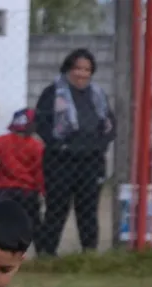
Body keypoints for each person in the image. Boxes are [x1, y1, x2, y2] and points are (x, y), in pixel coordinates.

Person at [35, 48, 115, 256]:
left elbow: (109, 126)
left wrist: (98, 145)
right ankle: (46, 254)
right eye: (78, 68)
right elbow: (42, 124)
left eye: (87, 69)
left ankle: (88, 255)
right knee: (57, 209)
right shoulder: (52, 93)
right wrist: (60, 145)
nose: (82, 74)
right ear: (68, 69)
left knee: (88, 211)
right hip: (60, 161)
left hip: (91, 162)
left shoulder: (98, 95)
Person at [0, 108, 44, 253]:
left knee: (4, 224)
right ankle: (42, 252)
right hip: (28, 191)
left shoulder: (0, 142)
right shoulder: (36, 145)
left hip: (5, 190)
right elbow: (39, 172)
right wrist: (43, 190)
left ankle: (2, 252)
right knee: (33, 223)